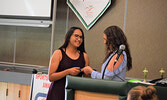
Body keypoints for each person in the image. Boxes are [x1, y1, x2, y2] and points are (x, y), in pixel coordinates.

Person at [46, 27, 89, 100]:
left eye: (81, 37)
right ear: (69, 37)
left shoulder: (85, 56)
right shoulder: (58, 53)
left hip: (75, 95)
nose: (79, 39)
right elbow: (51, 77)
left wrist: (88, 72)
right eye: (76, 36)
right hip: (57, 94)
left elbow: (86, 79)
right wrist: (68, 72)